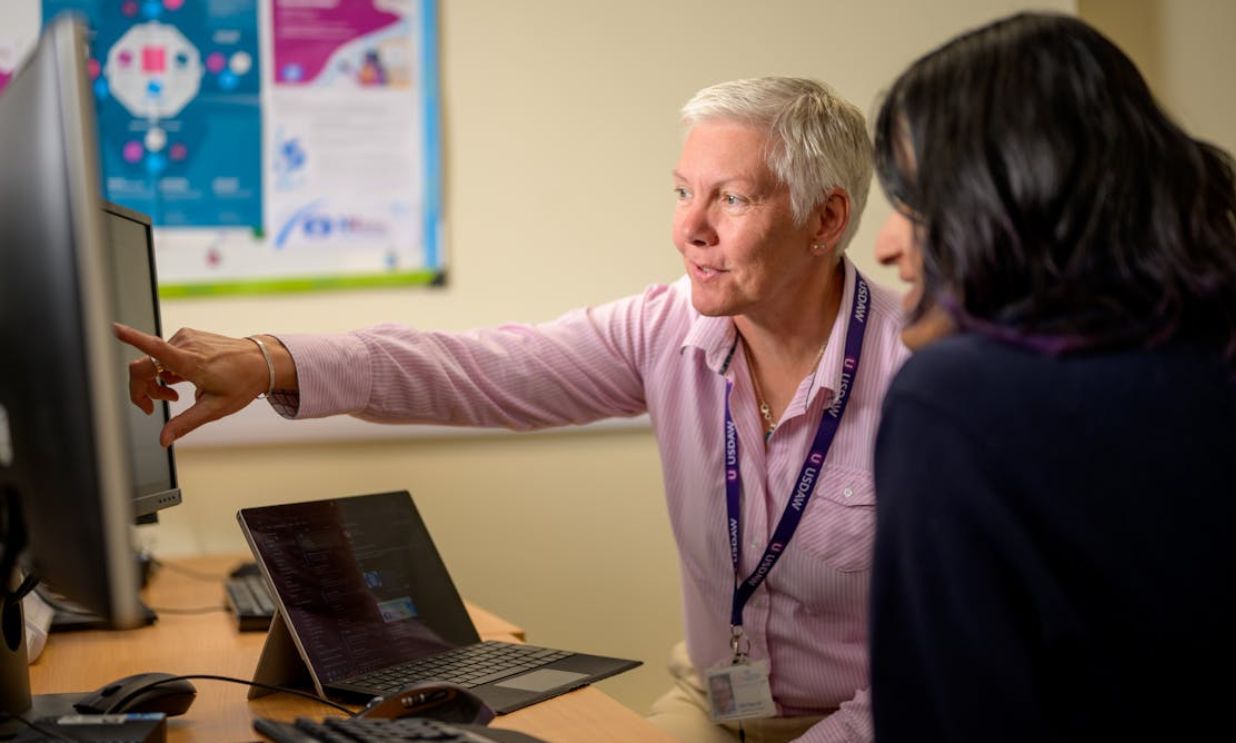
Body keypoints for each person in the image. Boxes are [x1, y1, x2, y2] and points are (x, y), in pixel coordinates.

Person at [117, 77, 910, 742]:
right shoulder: (666, 326)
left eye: (730, 198)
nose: (688, 228)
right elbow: (478, 367)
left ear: (826, 219)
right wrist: (268, 360)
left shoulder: (923, 376)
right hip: (716, 705)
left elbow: (945, 660)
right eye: (681, 192)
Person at [867, 12, 1236, 742]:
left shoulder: (953, 401)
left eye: (911, 205)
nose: (887, 245)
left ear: (1007, 201)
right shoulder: (1223, 354)